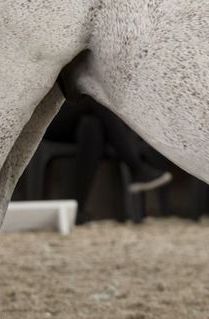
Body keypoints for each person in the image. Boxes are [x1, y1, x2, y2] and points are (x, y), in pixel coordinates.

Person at [39, 94, 172, 224]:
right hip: (46, 117)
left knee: (91, 125)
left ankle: (76, 210)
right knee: (96, 99)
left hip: (78, 116)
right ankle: (136, 167)